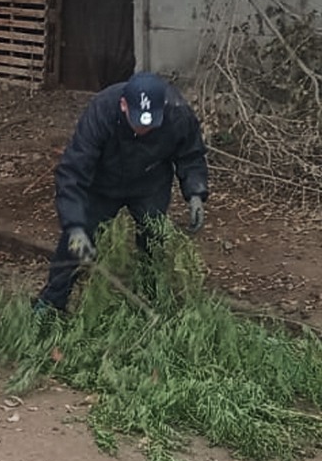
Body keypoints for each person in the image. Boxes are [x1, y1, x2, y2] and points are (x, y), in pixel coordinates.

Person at [35, 71, 210, 312]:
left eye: (150, 124)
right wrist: (74, 224)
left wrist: (196, 193)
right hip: (103, 184)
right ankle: (52, 302)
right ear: (124, 105)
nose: (143, 130)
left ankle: (150, 298)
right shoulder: (102, 111)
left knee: (153, 241)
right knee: (75, 243)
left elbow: (191, 155)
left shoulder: (178, 113)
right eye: (137, 122)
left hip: (151, 182)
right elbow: (73, 171)